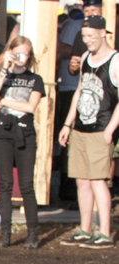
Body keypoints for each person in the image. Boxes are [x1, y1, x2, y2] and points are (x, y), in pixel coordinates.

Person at [58, 15, 117, 248]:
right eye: (84, 37)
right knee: (82, 180)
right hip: (81, 127)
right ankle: (85, 227)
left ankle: (105, 231)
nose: (88, 40)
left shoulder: (115, 60)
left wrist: (110, 129)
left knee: (97, 180)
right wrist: (67, 123)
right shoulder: (85, 58)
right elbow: (79, 91)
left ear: (103, 33)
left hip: (101, 127)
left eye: (91, 36)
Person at [0, 36, 45, 249]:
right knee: (5, 184)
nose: (20, 58)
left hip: (24, 133)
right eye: (16, 53)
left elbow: (31, 107)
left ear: (30, 56)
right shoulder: (3, 74)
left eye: (24, 54)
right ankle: (6, 233)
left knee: (27, 185)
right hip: (2, 132)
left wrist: (4, 102)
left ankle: (32, 232)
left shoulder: (35, 79)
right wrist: (5, 67)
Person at [56, 3, 85, 201]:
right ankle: (67, 186)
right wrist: (84, 51)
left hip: (88, 90)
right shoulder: (73, 26)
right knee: (68, 139)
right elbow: (61, 49)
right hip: (70, 87)